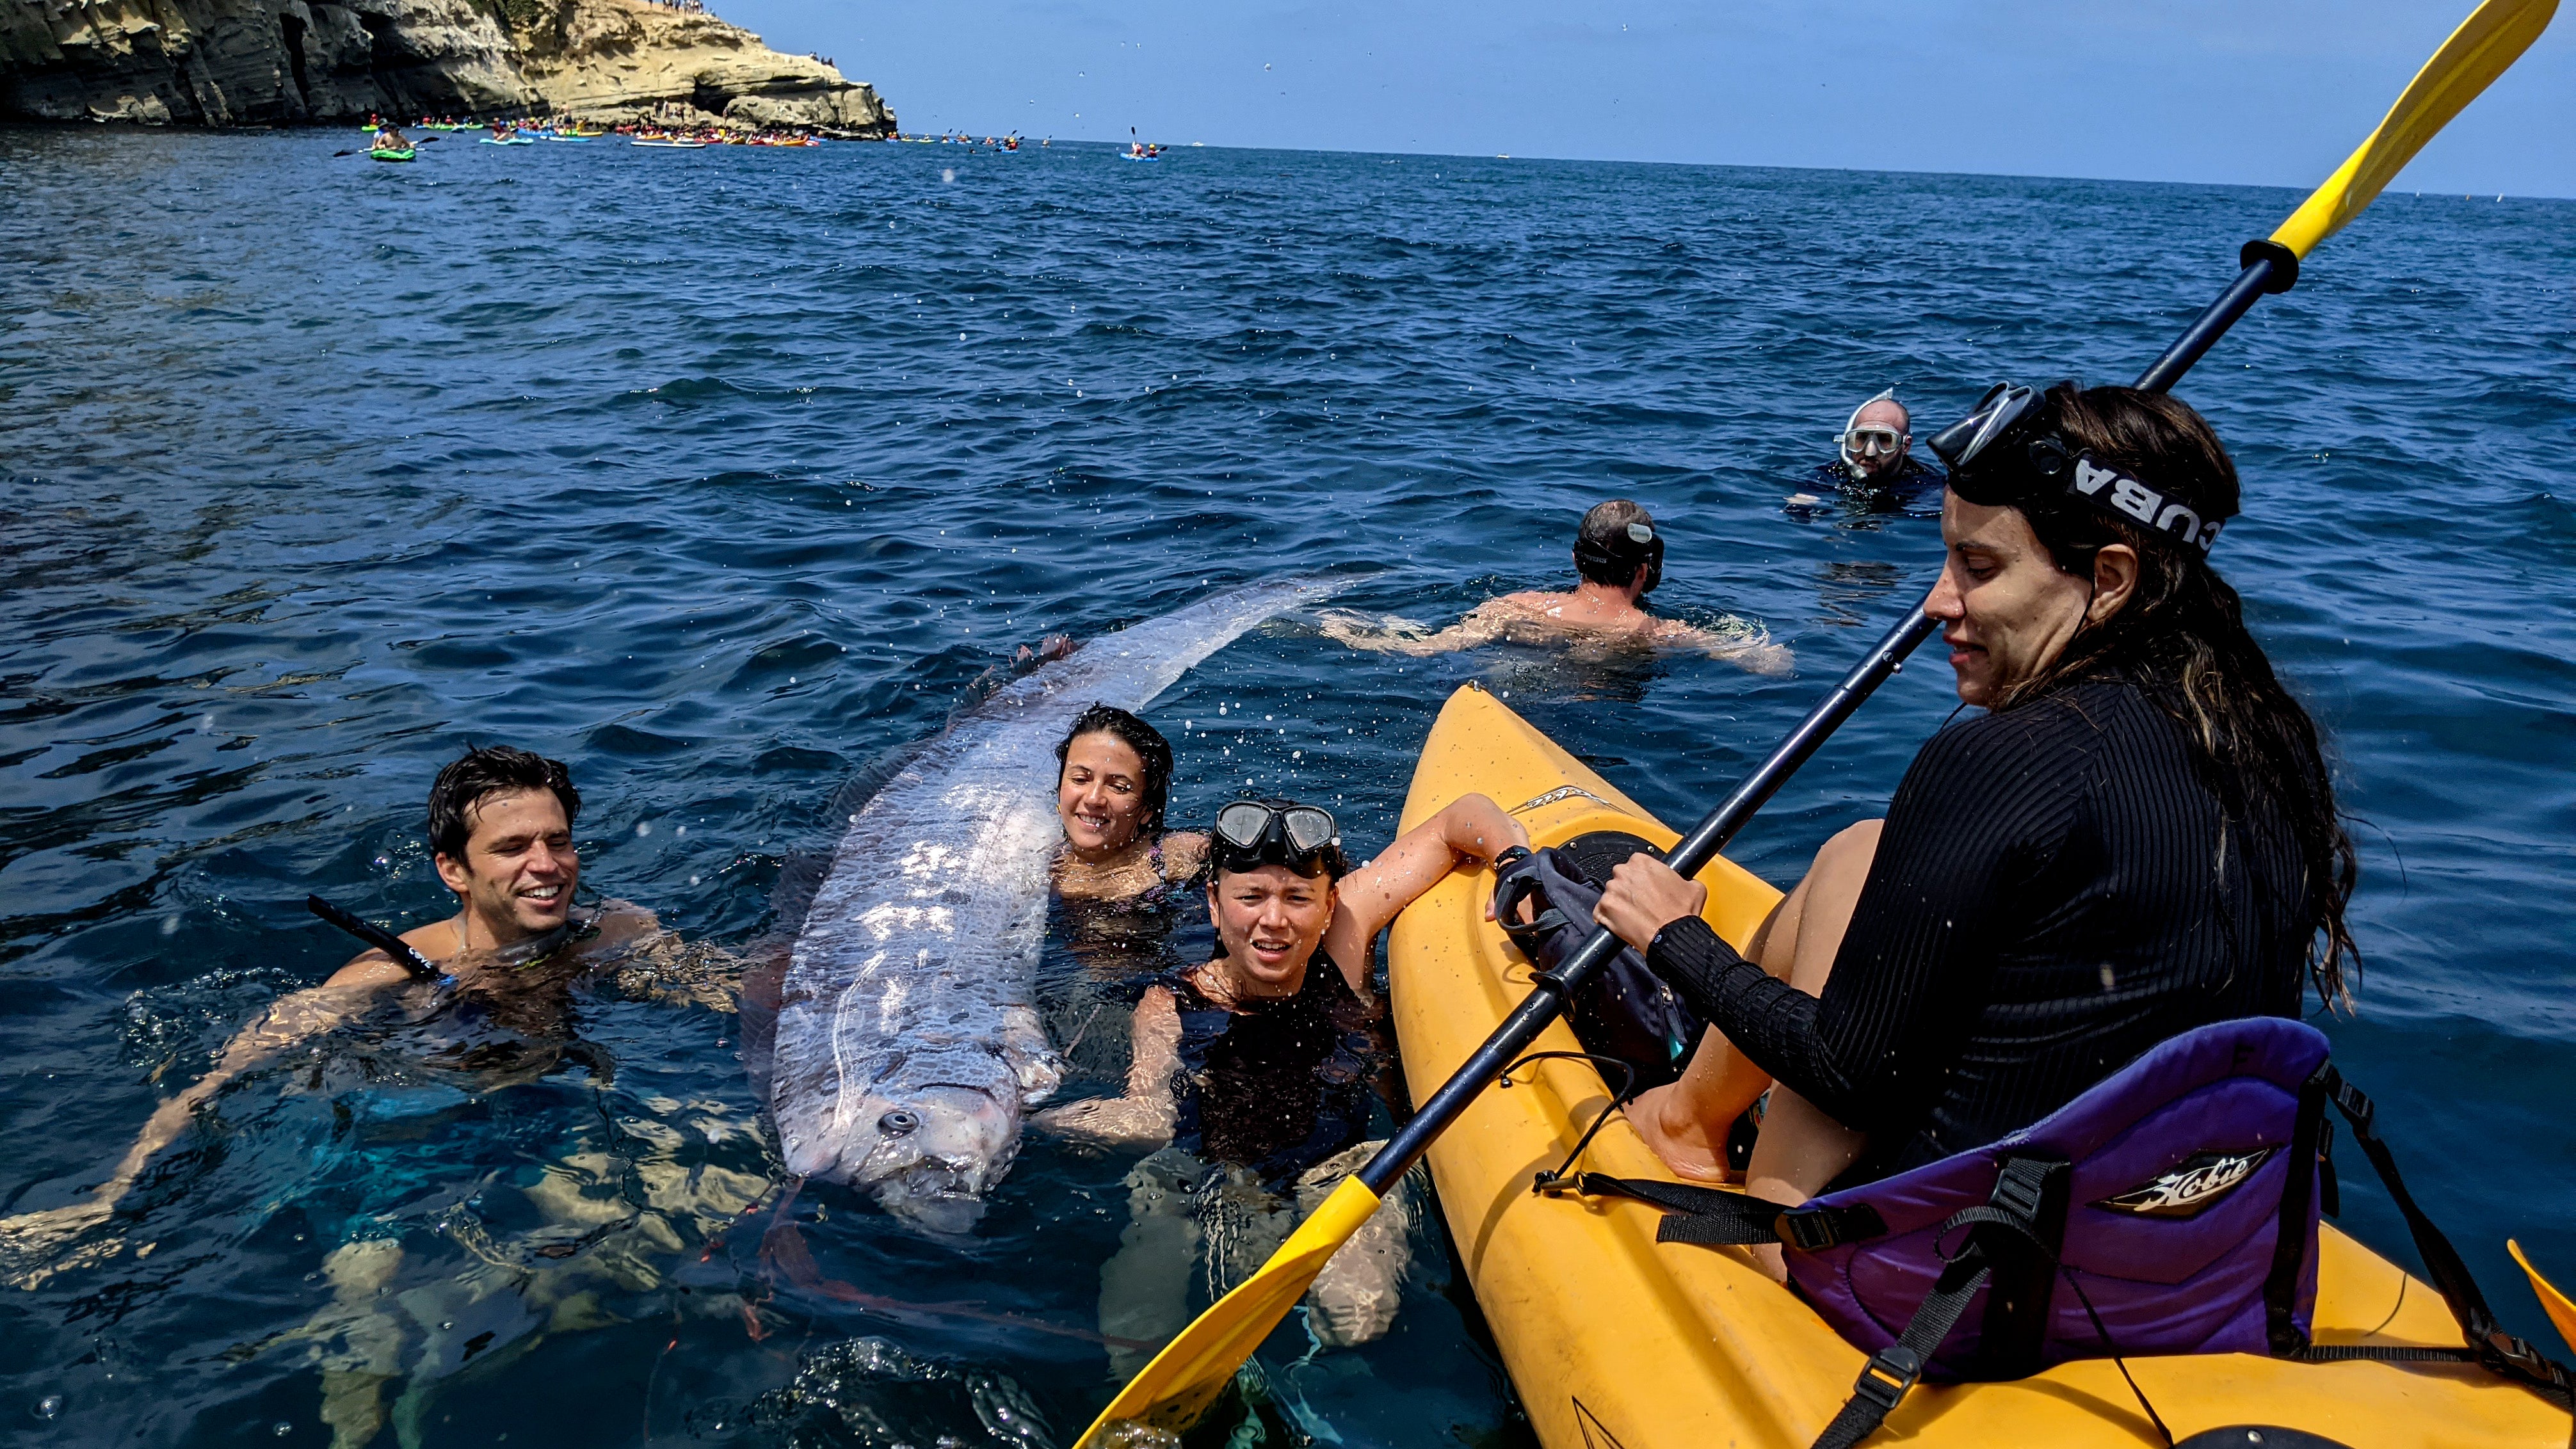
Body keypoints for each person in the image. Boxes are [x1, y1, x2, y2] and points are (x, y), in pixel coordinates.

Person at [1591, 382, 2355, 1279]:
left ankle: (1741, 1176)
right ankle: (1691, 1118)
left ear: (2110, 580)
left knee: (1836, 1009)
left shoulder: (2005, 758)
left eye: (1979, 568)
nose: (1936, 604)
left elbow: (1850, 1075)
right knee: (1860, 850)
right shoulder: (2269, 741)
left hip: (1957, 1288)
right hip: (2187, 1258)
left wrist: (1678, 940)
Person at [0, 746, 708, 1260]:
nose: (546, 864)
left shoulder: (614, 930)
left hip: (561, 1106)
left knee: (703, 1203)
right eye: (513, 846)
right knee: (373, 1328)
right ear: (453, 870)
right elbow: (221, 1076)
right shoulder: (387, 975)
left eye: (558, 840)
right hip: (411, 1143)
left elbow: (721, 988)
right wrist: (110, 1197)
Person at [1037, 793, 1530, 1368]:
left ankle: (1304, 1379)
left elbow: (1457, 820)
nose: (1274, 920)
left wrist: (1516, 862)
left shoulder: (1343, 943)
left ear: (1328, 906)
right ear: (1215, 905)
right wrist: (1030, 1122)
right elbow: (1148, 1109)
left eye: (1298, 898)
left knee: (1358, 1318)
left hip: (1342, 1166)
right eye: (1251, 897)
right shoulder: (1168, 1002)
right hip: (1203, 1170)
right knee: (1139, 1334)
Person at [1319, 500, 1792, 673]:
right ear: (1645, 571)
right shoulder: (1657, 632)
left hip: (1511, 674)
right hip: (1594, 703)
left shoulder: (1517, 605)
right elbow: (1771, 666)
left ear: (1575, 559)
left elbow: (1425, 649)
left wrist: (1347, 629)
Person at [1815, 388, 1944, 497]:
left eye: (1884, 440)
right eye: (1862, 438)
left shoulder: (1927, 487)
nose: (1869, 452)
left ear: (1906, 446)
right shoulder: (1832, 473)